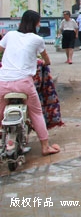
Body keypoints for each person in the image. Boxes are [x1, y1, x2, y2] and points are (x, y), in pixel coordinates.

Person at [0, 10, 61, 156]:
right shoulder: (37, 39)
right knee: (36, 113)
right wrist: (43, 62)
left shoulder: (10, 35)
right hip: (24, 84)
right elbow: (46, 59)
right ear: (35, 23)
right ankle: (45, 147)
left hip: (3, 82)